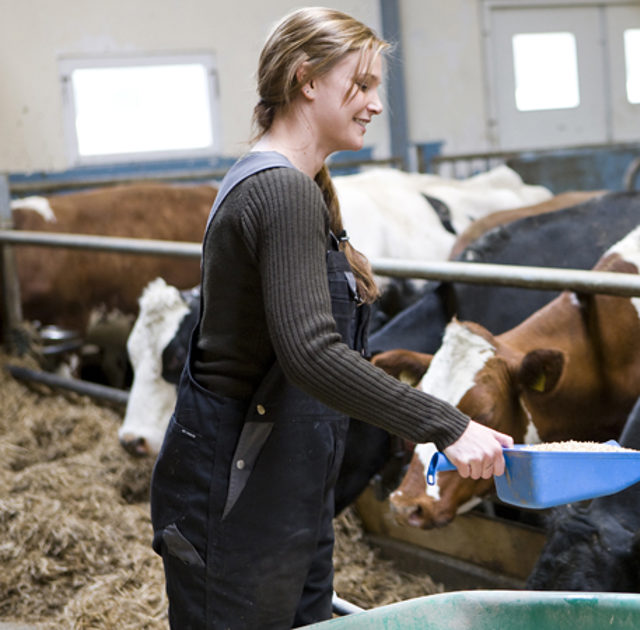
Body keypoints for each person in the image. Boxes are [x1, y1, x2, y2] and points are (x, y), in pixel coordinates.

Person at [148, 7, 512, 628]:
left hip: (280, 489)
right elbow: (312, 354)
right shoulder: (281, 190)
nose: (375, 104)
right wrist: (447, 425)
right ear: (307, 79)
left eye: (376, 87)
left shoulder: (297, 185)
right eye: (361, 84)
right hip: (237, 495)